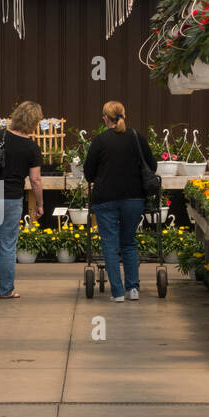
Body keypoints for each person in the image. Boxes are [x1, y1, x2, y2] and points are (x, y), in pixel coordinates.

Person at [82, 100, 155, 302]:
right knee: (129, 242)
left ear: (106, 117)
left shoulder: (100, 141)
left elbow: (88, 172)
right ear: (124, 115)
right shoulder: (136, 137)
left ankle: (117, 292)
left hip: (105, 199)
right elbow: (152, 165)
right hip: (134, 198)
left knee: (110, 245)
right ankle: (133, 289)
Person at [0, 101, 43, 299]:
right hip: (11, 198)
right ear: (34, 122)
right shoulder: (32, 148)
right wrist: (40, 204)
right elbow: (36, 180)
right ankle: (6, 290)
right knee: (7, 245)